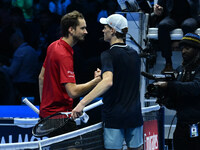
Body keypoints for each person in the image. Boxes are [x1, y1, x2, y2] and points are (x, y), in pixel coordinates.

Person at [72, 14, 143, 150]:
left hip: (115, 117)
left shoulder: (108, 55)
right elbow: (129, 81)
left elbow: (108, 82)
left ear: (113, 31)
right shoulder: (135, 54)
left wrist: (82, 103)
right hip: (134, 115)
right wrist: (102, 77)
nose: (103, 30)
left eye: (105, 27)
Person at [39, 10, 101, 136]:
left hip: (49, 116)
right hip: (60, 118)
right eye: (82, 28)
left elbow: (41, 77)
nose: (86, 32)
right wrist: (96, 82)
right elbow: (72, 92)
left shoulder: (53, 46)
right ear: (71, 30)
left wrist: (45, 108)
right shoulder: (64, 55)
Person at [154, 33, 200, 150]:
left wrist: (170, 85)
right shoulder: (181, 70)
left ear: (196, 50)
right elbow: (176, 96)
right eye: (182, 48)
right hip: (182, 125)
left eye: (187, 48)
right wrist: (164, 95)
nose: (183, 51)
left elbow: (196, 87)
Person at [153, 0, 199, 73]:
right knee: (162, 26)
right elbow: (160, 8)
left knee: (187, 26)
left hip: (190, 16)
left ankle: (189, 63)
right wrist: (159, 10)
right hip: (172, 17)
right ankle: (168, 63)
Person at [2, 29, 40, 104]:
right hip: (33, 84)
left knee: (21, 106)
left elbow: (11, 71)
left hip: (21, 86)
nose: (13, 46)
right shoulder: (32, 50)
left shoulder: (20, 51)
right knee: (31, 106)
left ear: (16, 40)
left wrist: (3, 67)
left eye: (13, 43)